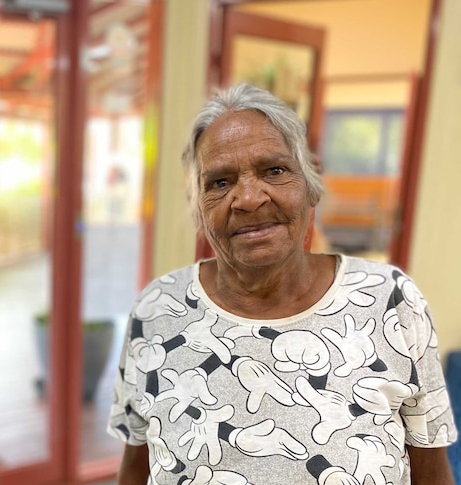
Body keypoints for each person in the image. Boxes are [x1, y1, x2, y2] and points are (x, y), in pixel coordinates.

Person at [108, 83, 456, 485]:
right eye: (220, 182)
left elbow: (432, 472)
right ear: (198, 208)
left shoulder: (391, 301)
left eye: (274, 170)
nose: (249, 198)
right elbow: (136, 469)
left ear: (309, 186)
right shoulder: (156, 310)